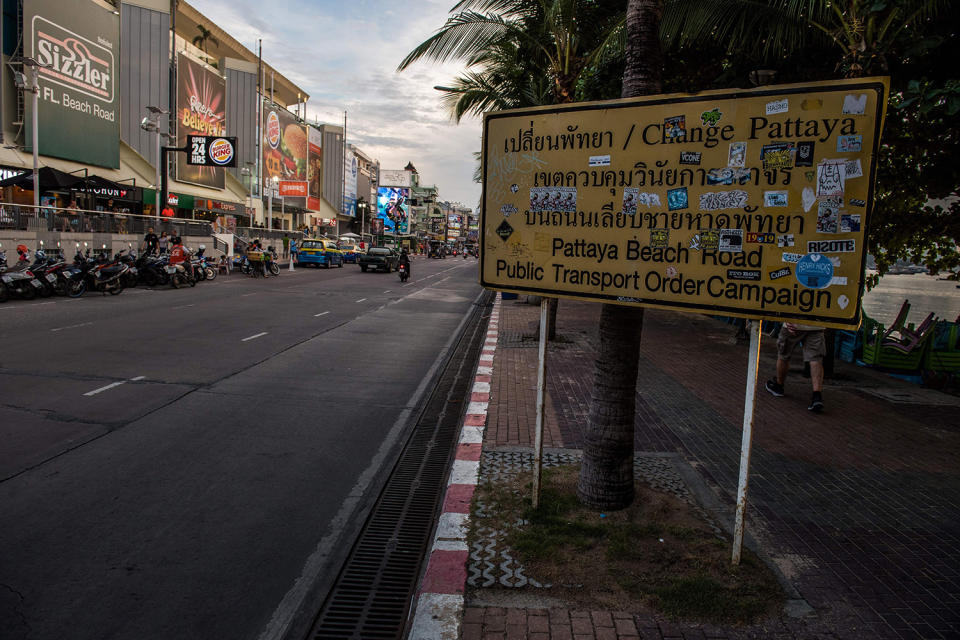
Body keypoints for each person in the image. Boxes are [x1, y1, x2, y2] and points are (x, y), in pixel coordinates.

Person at [765, 323, 826, 412]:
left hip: (793, 324)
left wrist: (786, 319)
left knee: (783, 355)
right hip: (816, 325)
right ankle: (817, 396)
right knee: (815, 359)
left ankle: (779, 385)